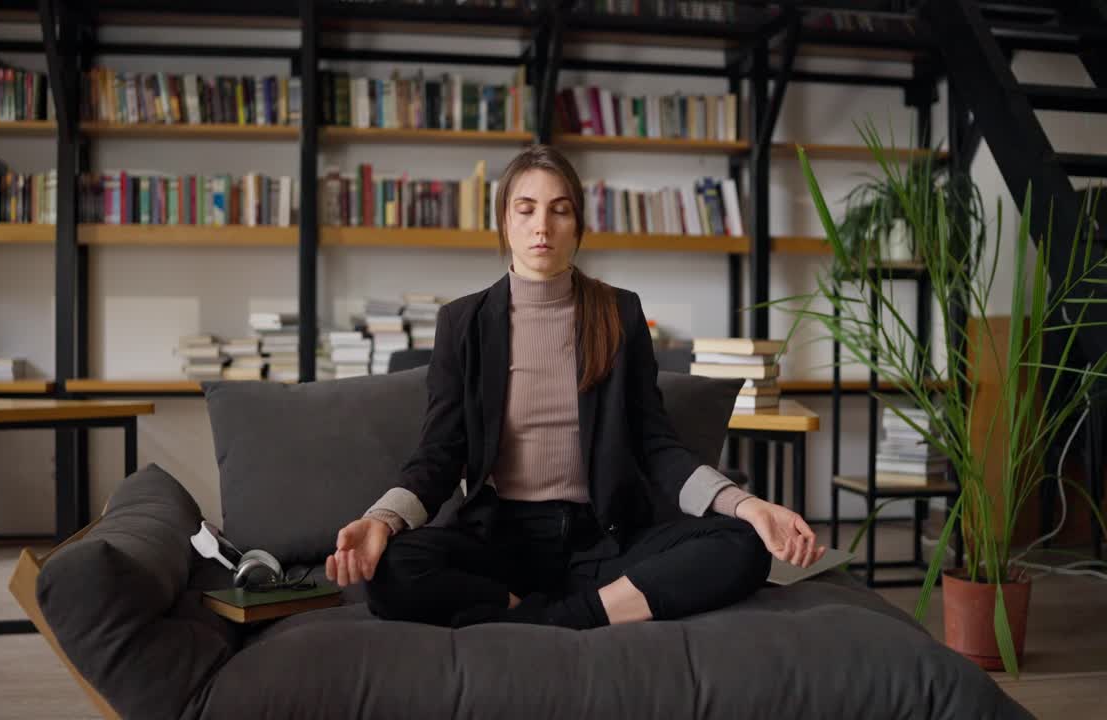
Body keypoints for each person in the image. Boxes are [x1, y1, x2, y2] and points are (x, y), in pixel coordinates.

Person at [326, 144, 825, 630]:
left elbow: (657, 447)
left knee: (742, 545)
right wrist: (382, 520)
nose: (542, 225)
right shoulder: (463, 322)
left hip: (602, 540)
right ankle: (572, 610)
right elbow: (438, 454)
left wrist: (749, 505)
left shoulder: (619, 312)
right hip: (501, 541)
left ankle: (557, 616)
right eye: (526, 209)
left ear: (578, 225)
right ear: (505, 221)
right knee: (391, 571)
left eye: (559, 210)